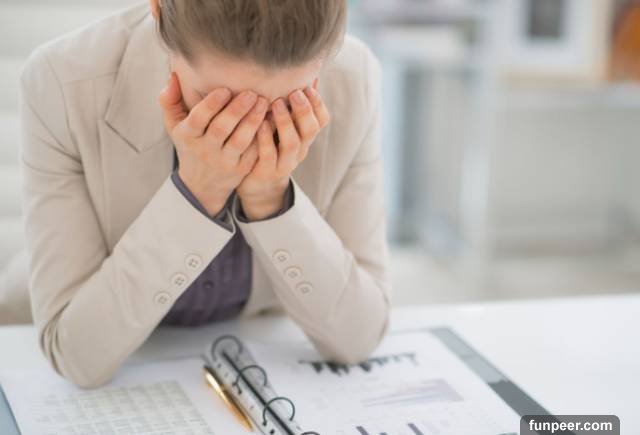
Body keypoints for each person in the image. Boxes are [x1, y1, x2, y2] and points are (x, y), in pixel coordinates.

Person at [20, 0, 391, 388]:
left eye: (282, 107)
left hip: (260, 355)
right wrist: (198, 192)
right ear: (159, 16)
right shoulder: (61, 81)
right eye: (217, 105)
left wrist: (271, 200)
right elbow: (76, 357)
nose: (247, 133)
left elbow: (359, 337)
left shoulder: (354, 77)